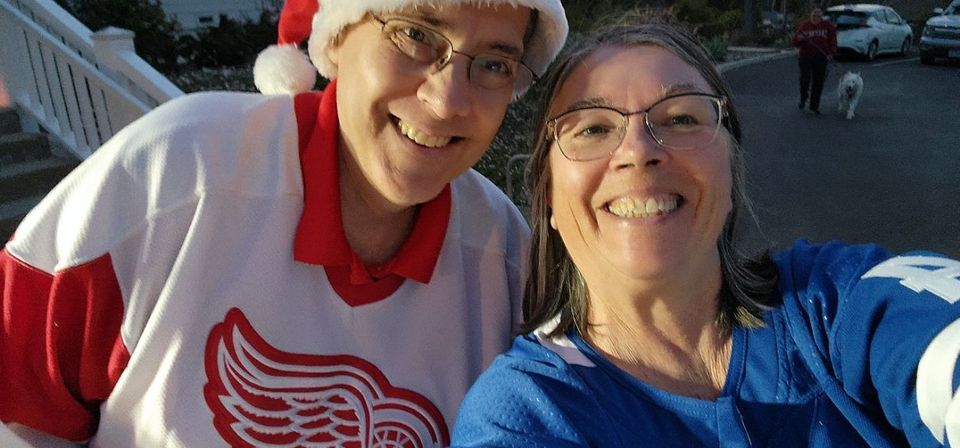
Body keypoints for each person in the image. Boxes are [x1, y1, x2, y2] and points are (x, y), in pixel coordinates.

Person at [0, 0, 567, 446]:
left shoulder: (504, 257)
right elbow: (16, 407)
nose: (447, 100)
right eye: (416, 33)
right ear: (339, 39)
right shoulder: (175, 176)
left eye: (494, 64)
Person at [452, 21, 960, 447]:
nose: (637, 150)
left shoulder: (835, 306)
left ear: (731, 172)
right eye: (592, 129)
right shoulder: (525, 414)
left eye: (680, 118)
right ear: (548, 199)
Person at [792, 6, 837, 114]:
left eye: (819, 16)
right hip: (806, 56)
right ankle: (803, 98)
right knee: (805, 79)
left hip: (821, 57)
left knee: (818, 82)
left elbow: (833, 40)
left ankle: (814, 105)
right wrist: (800, 38)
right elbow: (795, 41)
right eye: (814, 16)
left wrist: (831, 53)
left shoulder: (827, 26)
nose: (816, 18)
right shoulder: (805, 26)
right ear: (811, 16)